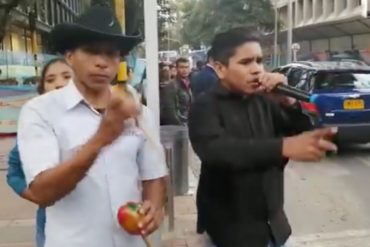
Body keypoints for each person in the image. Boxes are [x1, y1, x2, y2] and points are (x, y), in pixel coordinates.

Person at [17, 5, 167, 247]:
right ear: (69, 56)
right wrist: (101, 138)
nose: (102, 62)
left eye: (111, 54)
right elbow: (43, 192)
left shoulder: (137, 111)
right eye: (91, 51)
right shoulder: (40, 112)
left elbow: (155, 174)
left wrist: (154, 206)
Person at [188, 27, 338, 247]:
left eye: (259, 61)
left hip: (275, 228)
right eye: (246, 62)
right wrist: (282, 147)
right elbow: (217, 151)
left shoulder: (266, 100)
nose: (257, 69)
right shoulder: (205, 106)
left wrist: (289, 102)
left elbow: (305, 134)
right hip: (231, 233)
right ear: (220, 68)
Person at [7, 58, 73, 247]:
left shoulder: (99, 119)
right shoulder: (36, 125)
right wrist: (33, 194)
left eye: (67, 76)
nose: (59, 84)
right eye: (50, 80)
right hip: (51, 225)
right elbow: (14, 170)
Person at [173, 57, 192, 124]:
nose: (184, 70)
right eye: (182, 67)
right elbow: (172, 111)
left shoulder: (189, 83)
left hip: (189, 122)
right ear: (177, 68)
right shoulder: (172, 86)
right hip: (180, 125)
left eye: (186, 67)